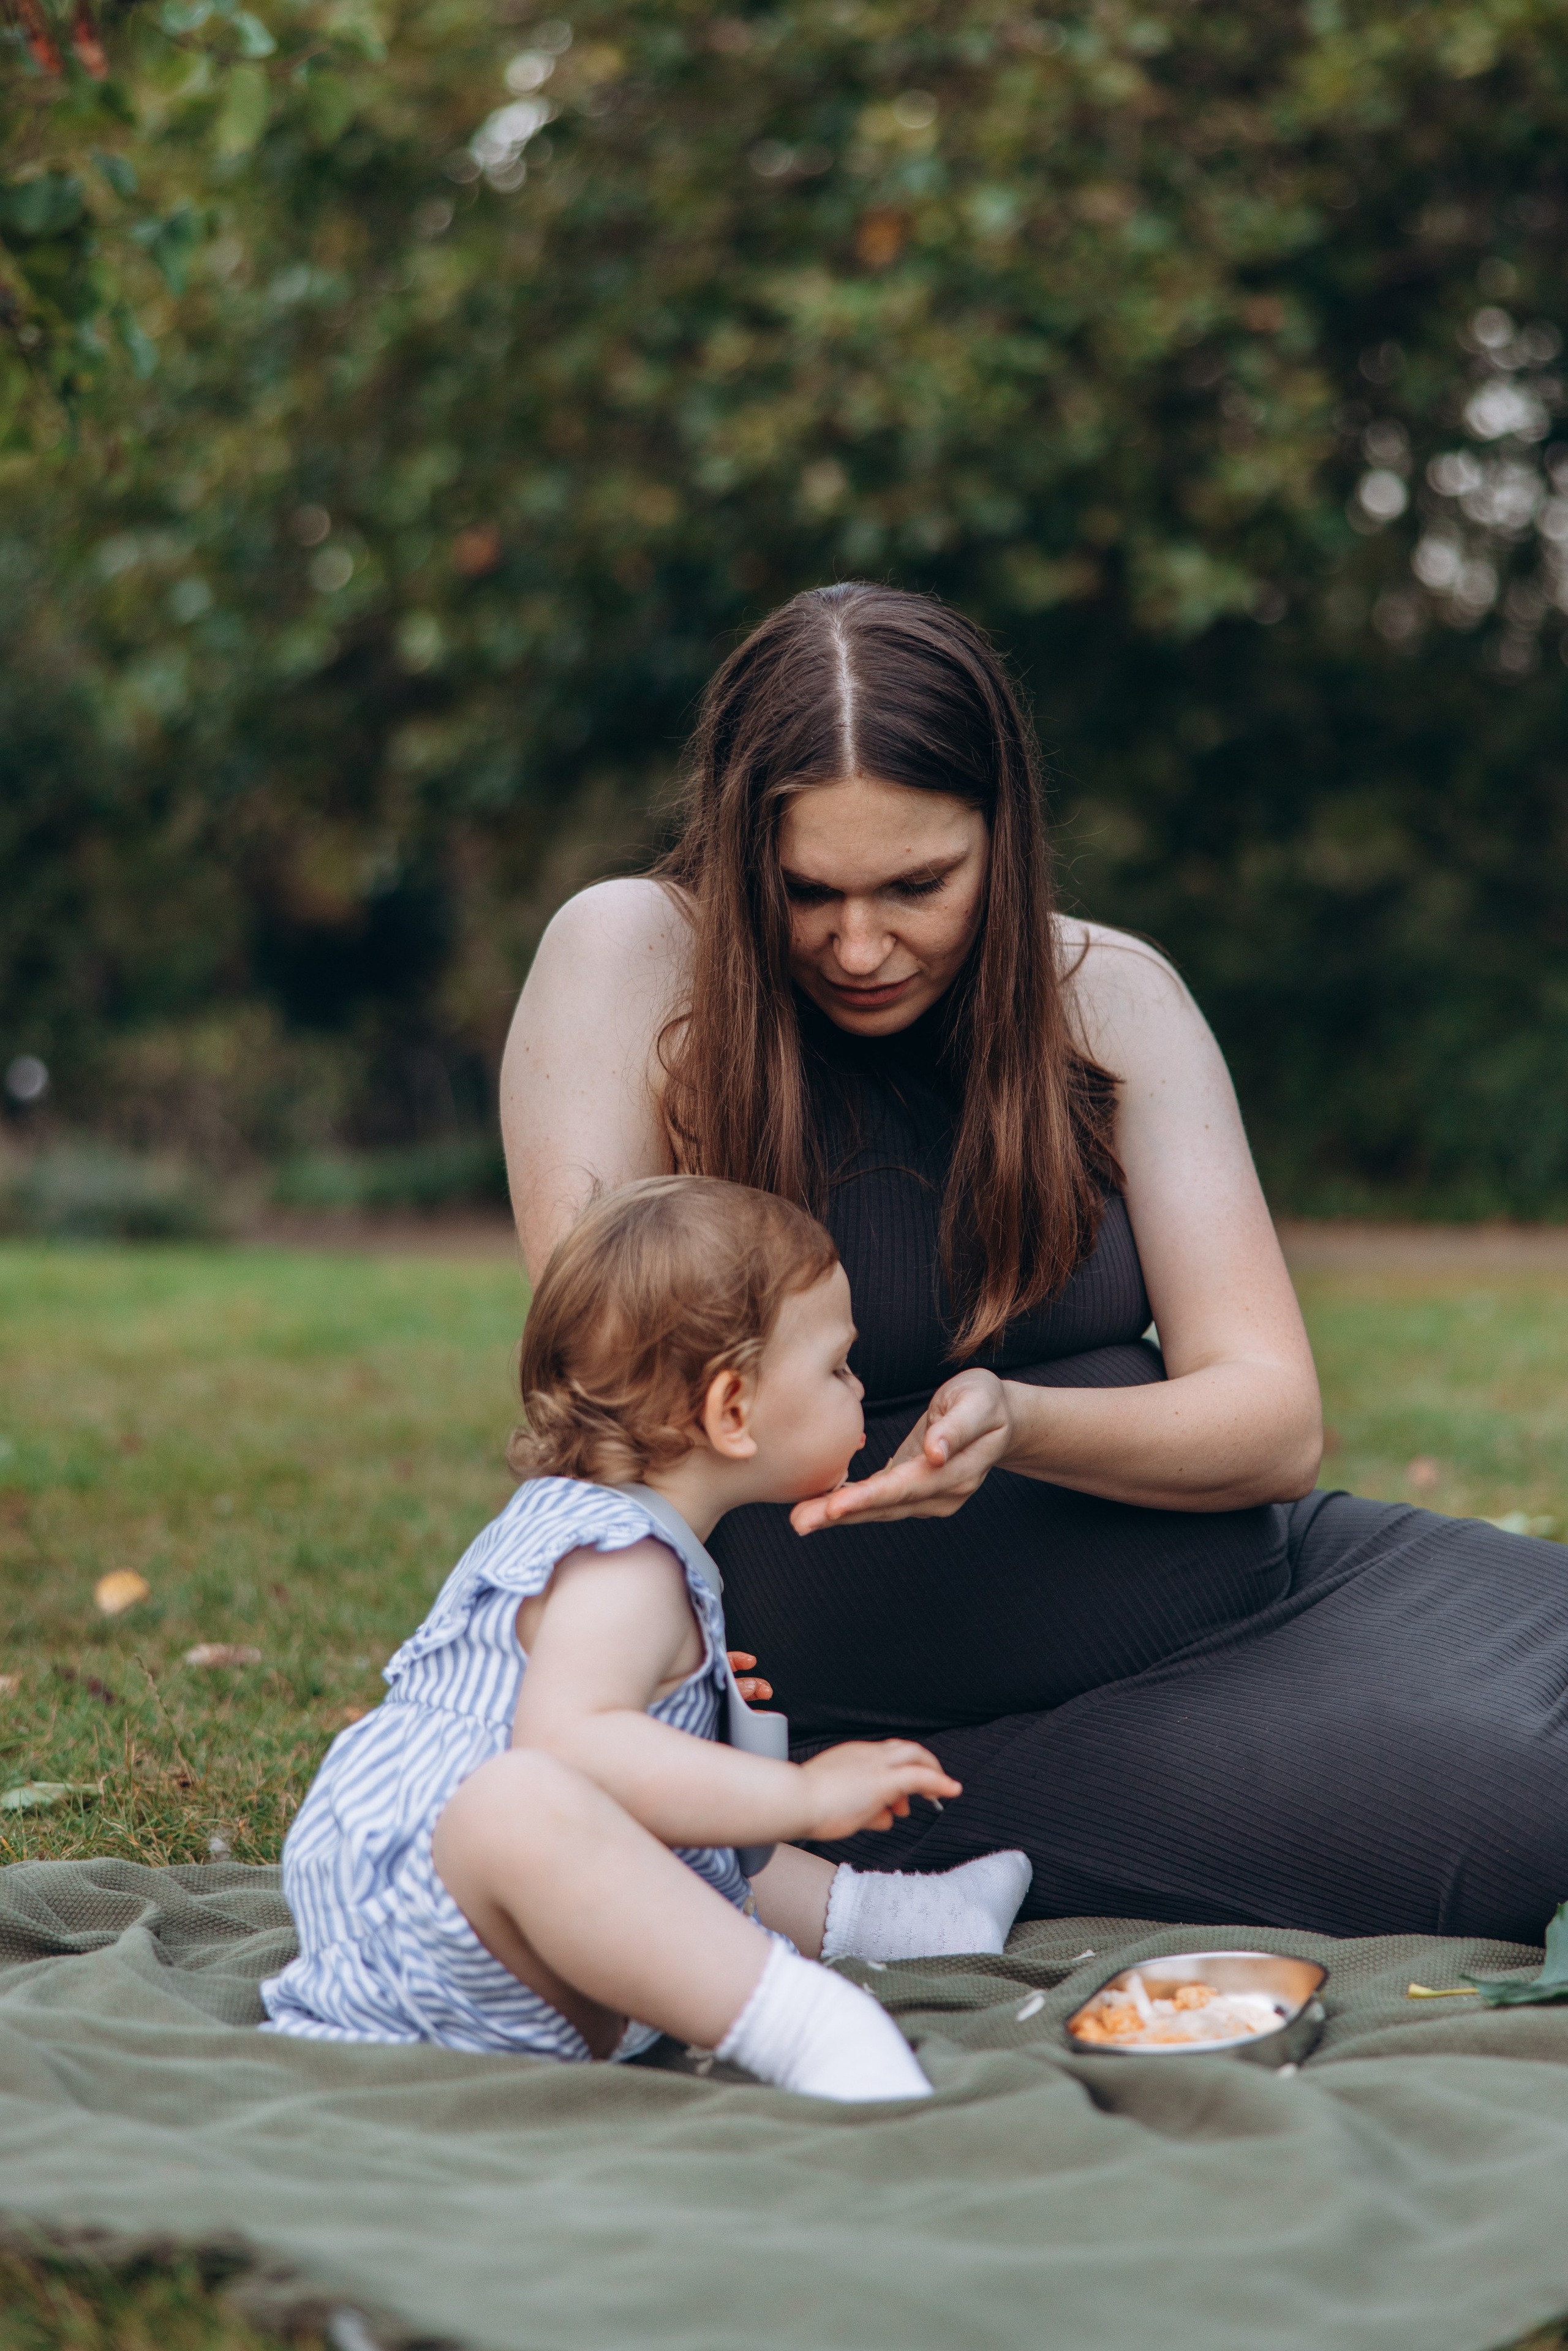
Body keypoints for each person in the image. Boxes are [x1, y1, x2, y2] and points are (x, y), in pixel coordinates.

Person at [501, 580, 1568, 1948]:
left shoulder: (1108, 995)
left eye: (917, 885)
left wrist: (1022, 1423)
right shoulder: (635, 961)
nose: (860, 943)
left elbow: (1270, 1420)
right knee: (1539, 1812)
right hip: (931, 1729)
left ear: (1001, 845)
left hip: (1273, 1579)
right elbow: (601, 1411)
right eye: (806, 891)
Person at [261, 1176, 1034, 2100]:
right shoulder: (628, 1564)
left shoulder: (583, 1522)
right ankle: (812, 2025)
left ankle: (902, 1918)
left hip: (444, 1927)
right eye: (837, 1366)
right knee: (527, 1797)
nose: (861, 1387)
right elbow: (566, 1744)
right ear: (731, 1412)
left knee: (679, 1802)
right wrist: (803, 1792)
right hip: (457, 1930)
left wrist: (685, 1699)